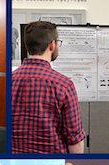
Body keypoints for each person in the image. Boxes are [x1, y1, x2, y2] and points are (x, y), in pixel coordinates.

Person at [11, 21, 85, 154]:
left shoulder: (10, 80)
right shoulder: (63, 85)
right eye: (58, 42)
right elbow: (74, 139)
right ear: (52, 45)